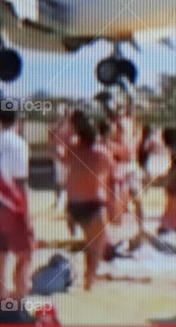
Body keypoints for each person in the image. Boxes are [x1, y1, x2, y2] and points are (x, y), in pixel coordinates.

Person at [0, 100, 34, 298]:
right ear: (16, 118)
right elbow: (20, 181)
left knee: (1, 254)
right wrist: (26, 211)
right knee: (24, 253)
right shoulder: (19, 144)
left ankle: (1, 296)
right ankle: (20, 298)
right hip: (14, 204)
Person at [64, 112, 114, 290]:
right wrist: (112, 205)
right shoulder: (102, 154)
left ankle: (89, 278)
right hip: (93, 203)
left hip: (75, 204)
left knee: (89, 243)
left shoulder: (72, 149)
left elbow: (69, 176)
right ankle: (89, 281)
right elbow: (113, 179)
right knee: (97, 246)